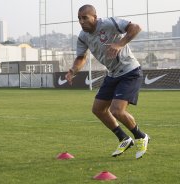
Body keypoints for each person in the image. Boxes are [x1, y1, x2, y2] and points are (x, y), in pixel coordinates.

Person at [65, 4, 149, 159]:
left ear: (95, 17)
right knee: (98, 109)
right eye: (79, 19)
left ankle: (140, 136)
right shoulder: (83, 36)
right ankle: (124, 139)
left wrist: (119, 44)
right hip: (112, 74)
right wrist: (72, 70)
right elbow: (81, 57)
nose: (81, 21)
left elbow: (135, 27)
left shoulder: (109, 24)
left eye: (85, 18)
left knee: (117, 110)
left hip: (130, 71)